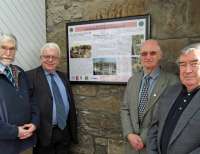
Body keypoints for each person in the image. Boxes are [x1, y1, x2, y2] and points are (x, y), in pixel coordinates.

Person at [120, 39, 179, 154]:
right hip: (131, 146)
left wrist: (144, 138)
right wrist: (129, 134)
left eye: (152, 53)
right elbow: (125, 109)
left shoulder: (172, 82)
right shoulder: (133, 80)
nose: (148, 57)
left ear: (160, 55)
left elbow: (169, 116)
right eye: (144, 54)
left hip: (155, 146)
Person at [147, 43, 200, 154]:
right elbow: (154, 127)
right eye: (183, 65)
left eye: (194, 64)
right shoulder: (170, 91)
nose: (187, 70)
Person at [27, 42, 78, 154]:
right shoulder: (29, 77)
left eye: (54, 57)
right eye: (47, 56)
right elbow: (26, 105)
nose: (50, 60)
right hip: (43, 135)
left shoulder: (63, 77)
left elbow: (70, 104)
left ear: (58, 60)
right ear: (41, 58)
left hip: (64, 132)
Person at [0, 33, 39, 154]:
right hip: (4, 146)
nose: (8, 53)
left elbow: (32, 100)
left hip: (26, 142)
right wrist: (15, 132)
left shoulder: (19, 72)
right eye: (3, 47)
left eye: (12, 49)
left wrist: (34, 122)